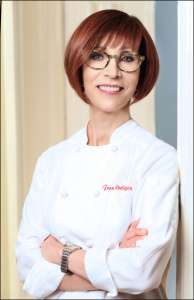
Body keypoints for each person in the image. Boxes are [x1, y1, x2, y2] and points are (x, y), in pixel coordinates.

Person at [16, 9, 179, 300]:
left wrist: (60, 254)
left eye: (127, 58)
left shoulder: (158, 159)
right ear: (80, 65)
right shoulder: (52, 160)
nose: (112, 71)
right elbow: (27, 266)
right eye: (97, 56)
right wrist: (111, 259)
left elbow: (142, 271)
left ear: (142, 71)